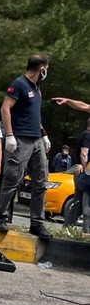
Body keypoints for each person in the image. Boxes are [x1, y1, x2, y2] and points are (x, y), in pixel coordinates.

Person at [0, 55, 52, 240]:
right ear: (42, 68)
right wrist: (9, 135)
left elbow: (35, 115)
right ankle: (0, 216)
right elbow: (5, 108)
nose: (47, 72)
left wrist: (44, 134)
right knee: (12, 179)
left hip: (36, 141)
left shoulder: (37, 88)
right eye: (47, 68)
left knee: (41, 182)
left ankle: (36, 223)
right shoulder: (19, 84)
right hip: (20, 140)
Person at [51, 98, 90, 233]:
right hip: (86, 173)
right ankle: (81, 231)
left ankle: (68, 228)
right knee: (84, 204)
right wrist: (68, 101)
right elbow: (83, 105)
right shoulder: (87, 135)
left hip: (83, 173)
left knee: (80, 203)